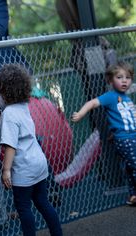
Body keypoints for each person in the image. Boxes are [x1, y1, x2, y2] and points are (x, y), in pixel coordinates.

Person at [0, 63, 63, 236]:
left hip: (24, 168)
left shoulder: (9, 114)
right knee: (43, 202)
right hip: (39, 163)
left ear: (3, 87)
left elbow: (10, 146)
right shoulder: (22, 104)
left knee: (24, 208)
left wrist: (6, 170)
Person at [72, 61, 136, 206]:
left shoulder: (126, 98)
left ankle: (133, 195)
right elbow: (92, 103)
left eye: (128, 77)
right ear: (111, 80)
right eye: (119, 77)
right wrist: (81, 114)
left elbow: (125, 117)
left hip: (131, 137)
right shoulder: (111, 96)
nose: (124, 80)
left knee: (131, 167)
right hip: (126, 139)